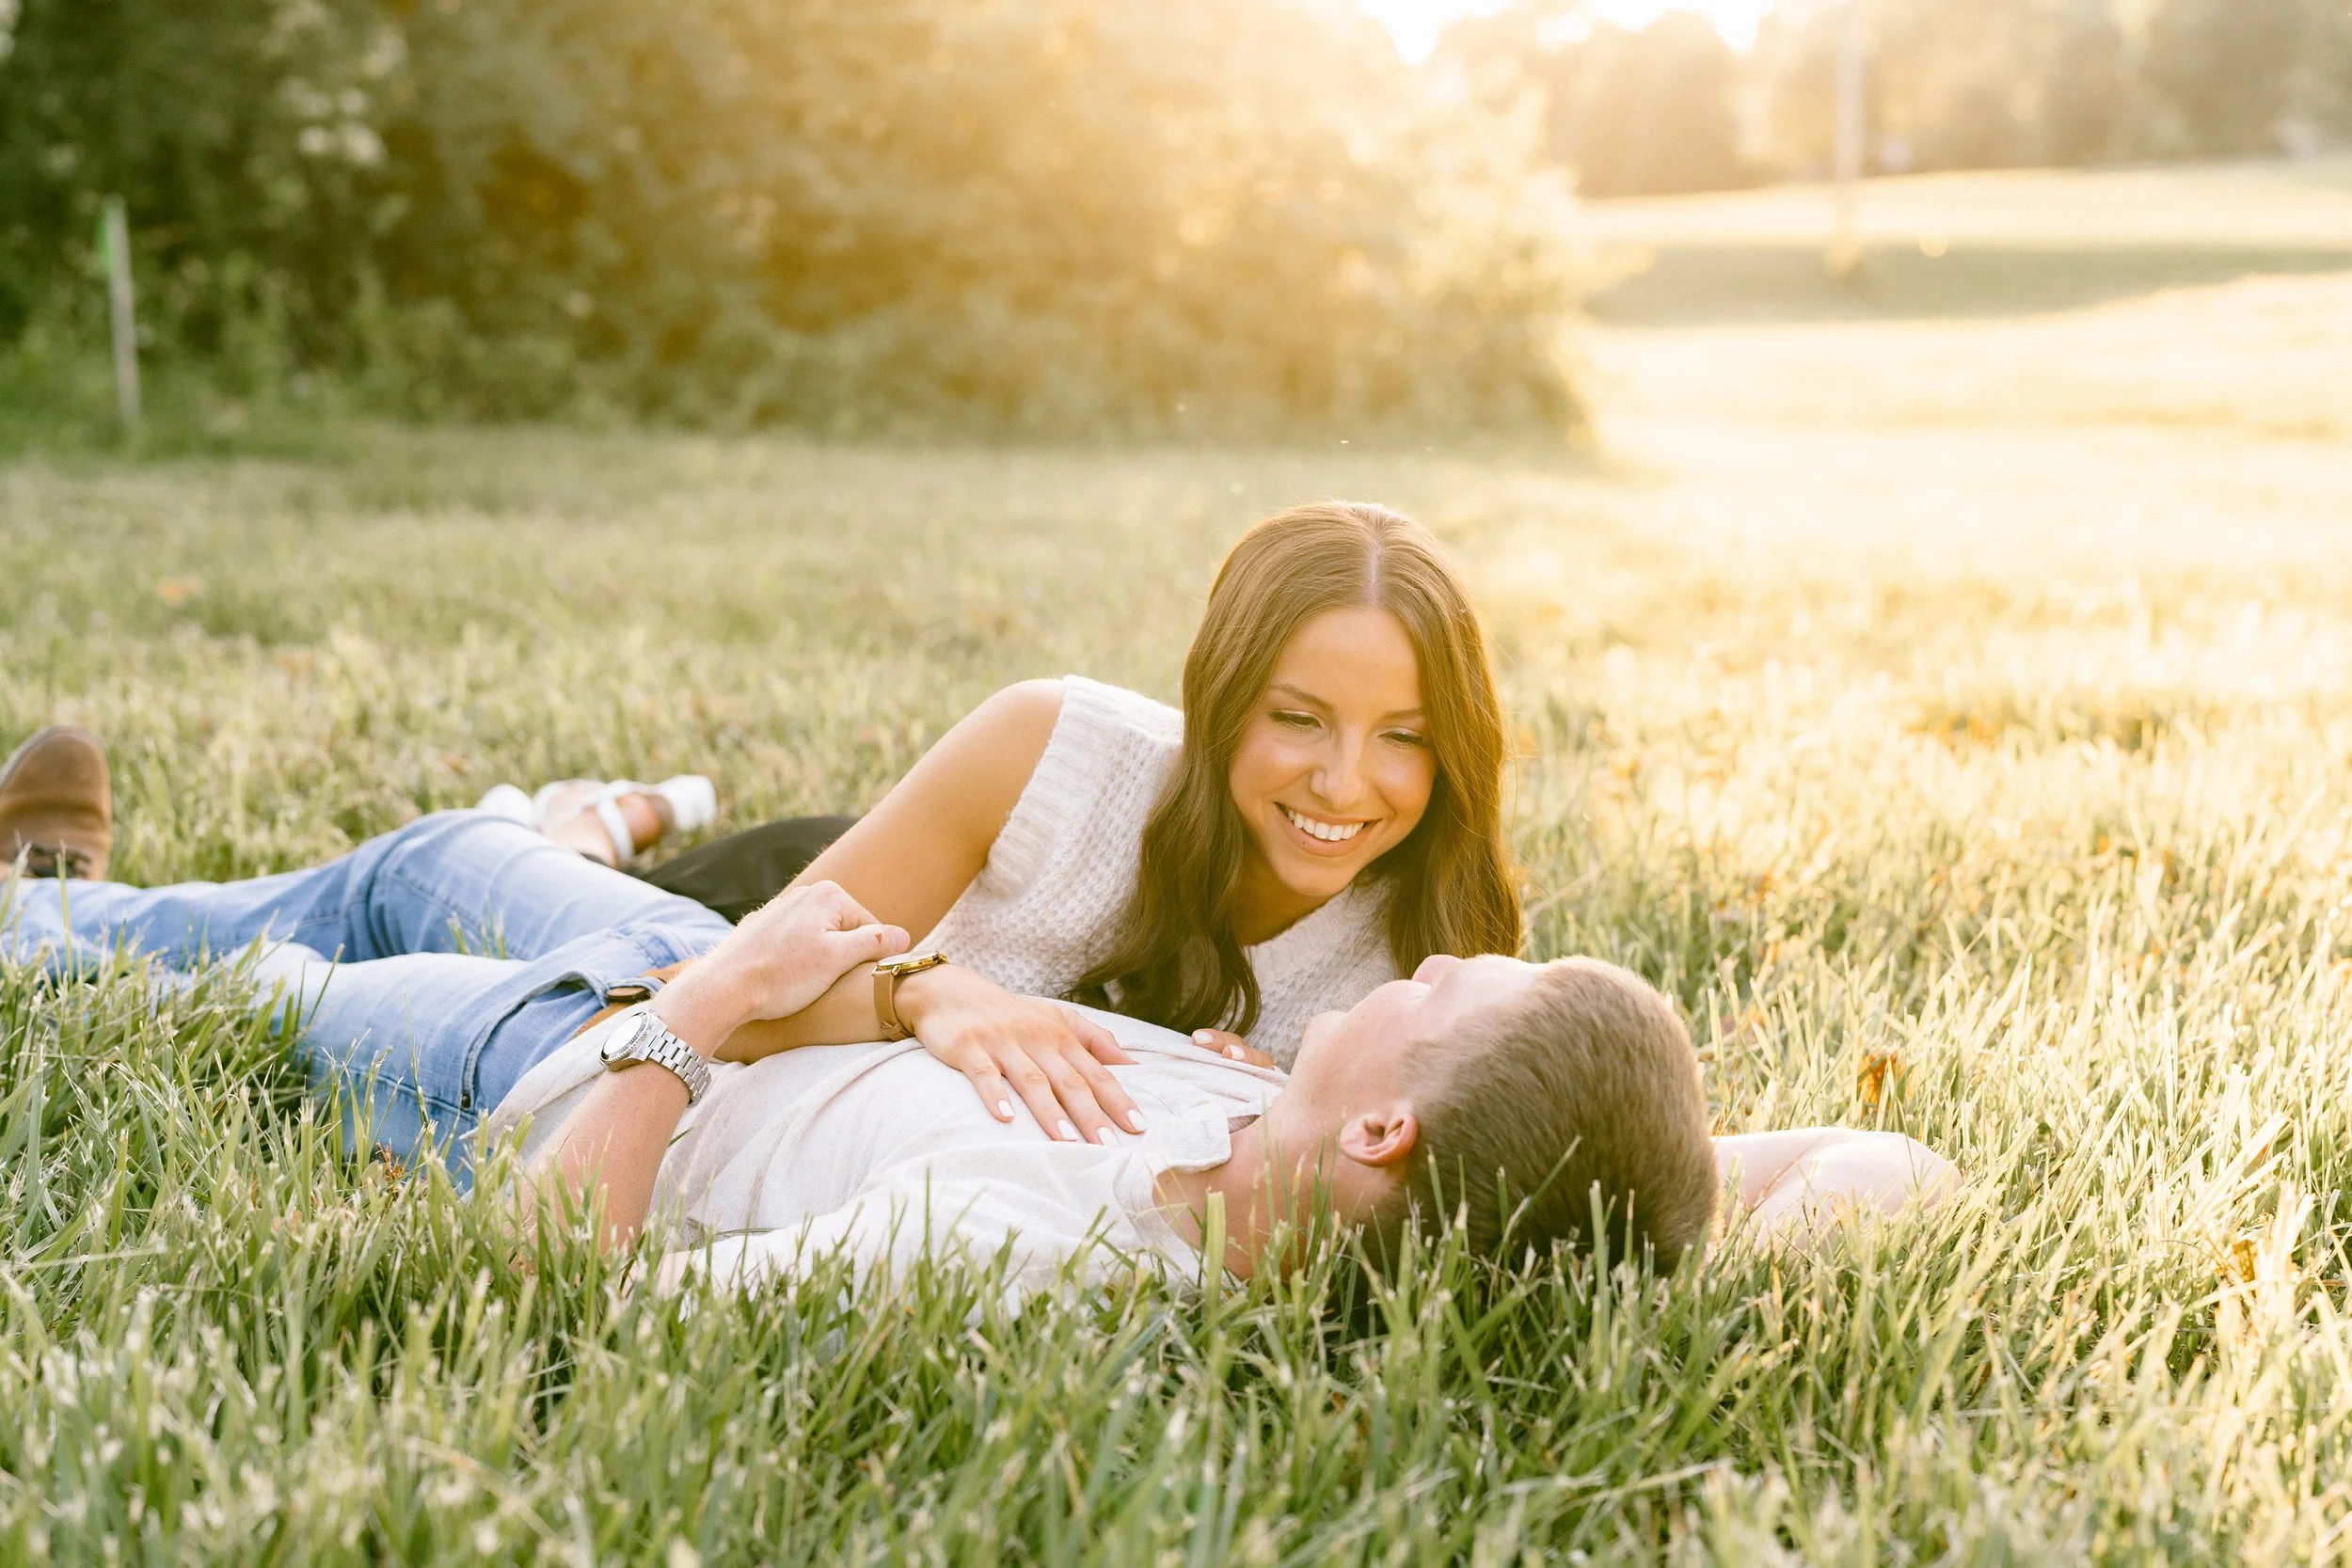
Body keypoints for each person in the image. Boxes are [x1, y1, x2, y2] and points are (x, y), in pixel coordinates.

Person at [0, 749, 1956, 1295]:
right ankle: (65, 882)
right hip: (717, 974)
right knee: (434, 849)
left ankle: (52, 910)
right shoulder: (1269, 1119)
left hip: (544, 1063)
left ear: (1390, 1129)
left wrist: (696, 1015)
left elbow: (546, 1293)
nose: (1418, 967)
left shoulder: (1026, 1258)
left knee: (225, 991)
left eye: (1449, 993)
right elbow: (1885, 1167)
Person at [490, 501, 1524, 1151]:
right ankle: (588, 827)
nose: (1343, 783)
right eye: (1297, 718)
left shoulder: (1423, 969)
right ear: (1219, 701)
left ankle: (599, 825)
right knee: (483, 876)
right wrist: (926, 988)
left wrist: (1275, 1113)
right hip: (805, 916)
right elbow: (713, 988)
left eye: (1405, 736)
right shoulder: (1051, 751)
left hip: (860, 959)